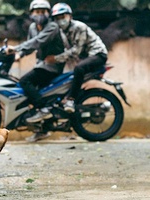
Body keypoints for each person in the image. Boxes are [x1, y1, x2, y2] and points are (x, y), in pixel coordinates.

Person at [6, 0, 65, 141]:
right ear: (32, 13)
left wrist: (16, 48)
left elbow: (38, 41)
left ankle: (44, 109)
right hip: (41, 65)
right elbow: (31, 46)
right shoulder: (33, 27)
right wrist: (20, 54)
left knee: (25, 81)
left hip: (52, 66)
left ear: (48, 13)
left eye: (43, 12)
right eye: (37, 12)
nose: (40, 15)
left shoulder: (52, 26)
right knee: (35, 94)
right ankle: (42, 130)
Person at [45, 3, 108, 113]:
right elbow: (67, 50)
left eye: (63, 17)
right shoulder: (62, 31)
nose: (61, 20)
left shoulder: (79, 27)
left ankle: (71, 99)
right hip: (85, 58)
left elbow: (76, 50)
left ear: (70, 16)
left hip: (98, 55)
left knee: (79, 69)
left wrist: (56, 58)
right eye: (57, 18)